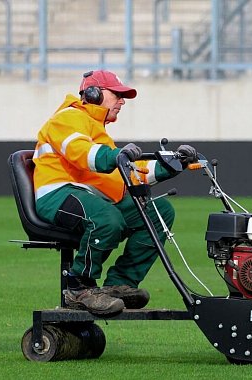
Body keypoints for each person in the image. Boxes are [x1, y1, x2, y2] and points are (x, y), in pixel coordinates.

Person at [31, 70, 197, 316]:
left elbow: (126, 171)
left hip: (88, 194)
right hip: (57, 192)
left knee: (158, 212)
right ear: (93, 94)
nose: (122, 101)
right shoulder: (67, 118)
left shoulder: (96, 127)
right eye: (117, 94)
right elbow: (82, 153)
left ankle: (120, 283)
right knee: (106, 219)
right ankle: (78, 287)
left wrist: (172, 164)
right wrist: (116, 156)